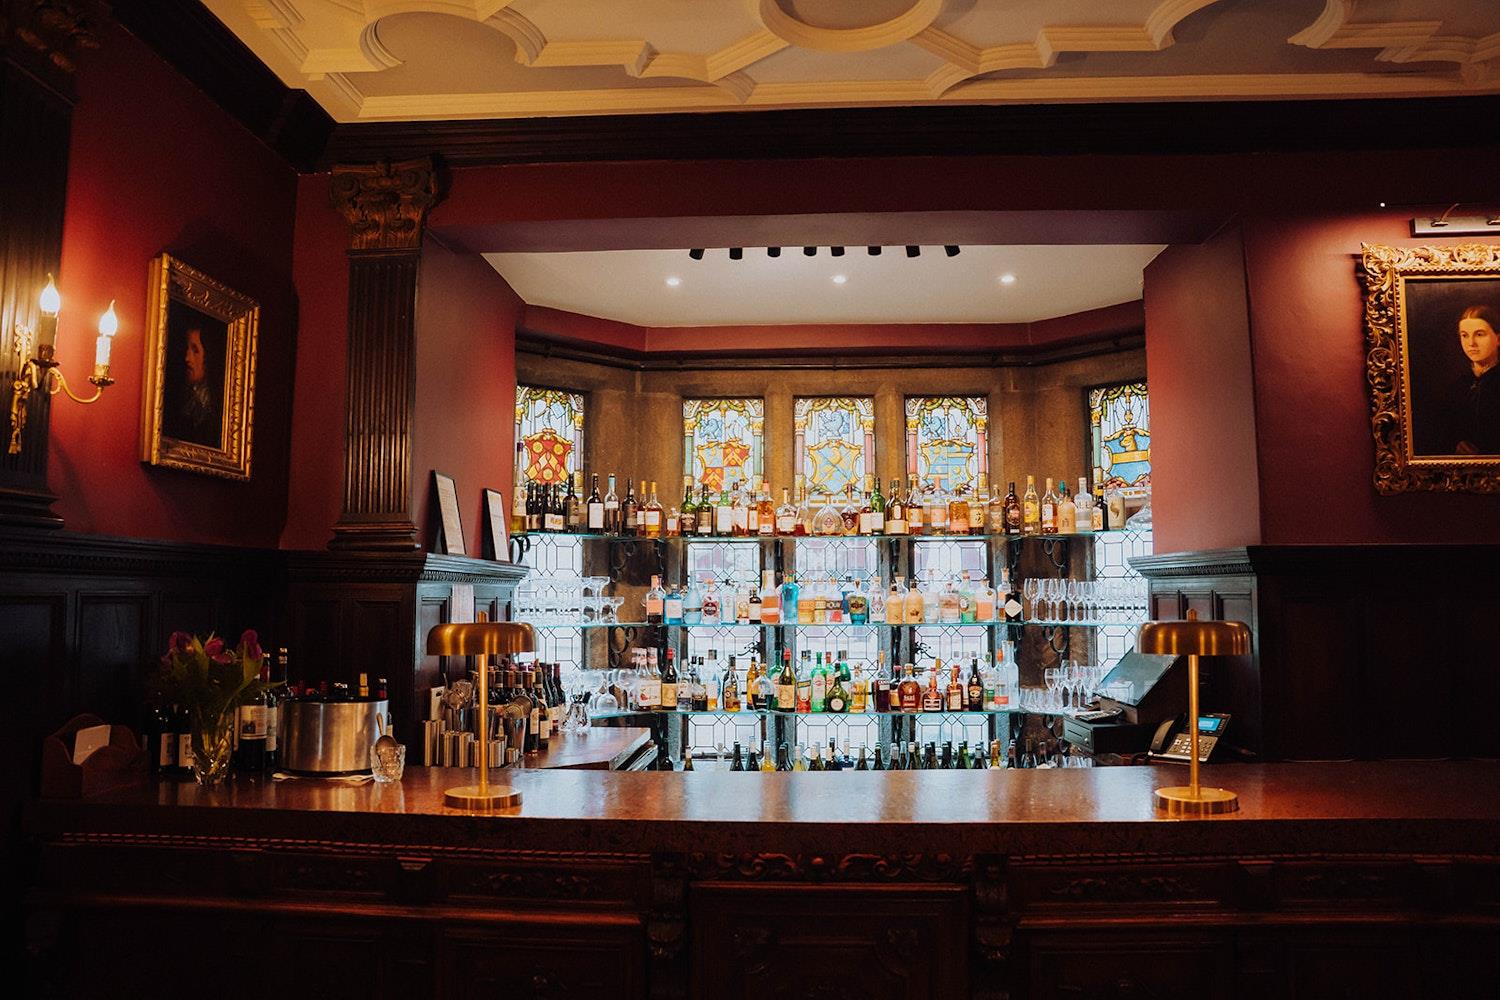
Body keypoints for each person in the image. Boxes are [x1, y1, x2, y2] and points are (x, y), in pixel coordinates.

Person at [1452, 305, 1500, 455]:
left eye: (1479, 334)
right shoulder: (1459, 385)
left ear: (1498, 339)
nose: (1471, 343)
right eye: (1464, 335)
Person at [165, 325, 222, 447]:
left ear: (209, 356)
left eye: (195, 350)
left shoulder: (219, 405)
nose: (187, 358)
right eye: (187, 349)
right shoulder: (180, 399)